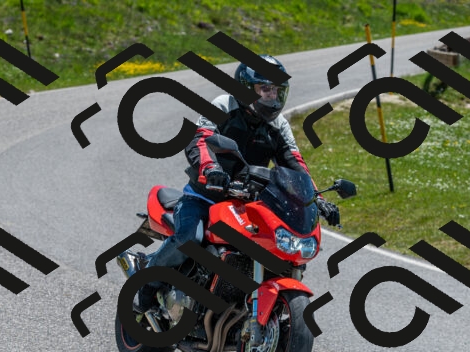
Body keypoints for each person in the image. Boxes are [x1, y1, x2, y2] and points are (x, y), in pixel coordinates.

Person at [135, 55, 340, 312]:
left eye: (276, 91)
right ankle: (148, 283)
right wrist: (210, 169)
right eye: (265, 89)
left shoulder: (278, 125)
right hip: (205, 195)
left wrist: (316, 198)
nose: (272, 97)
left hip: (247, 203)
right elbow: (200, 139)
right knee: (190, 237)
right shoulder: (224, 106)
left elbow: (295, 164)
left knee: (275, 244)